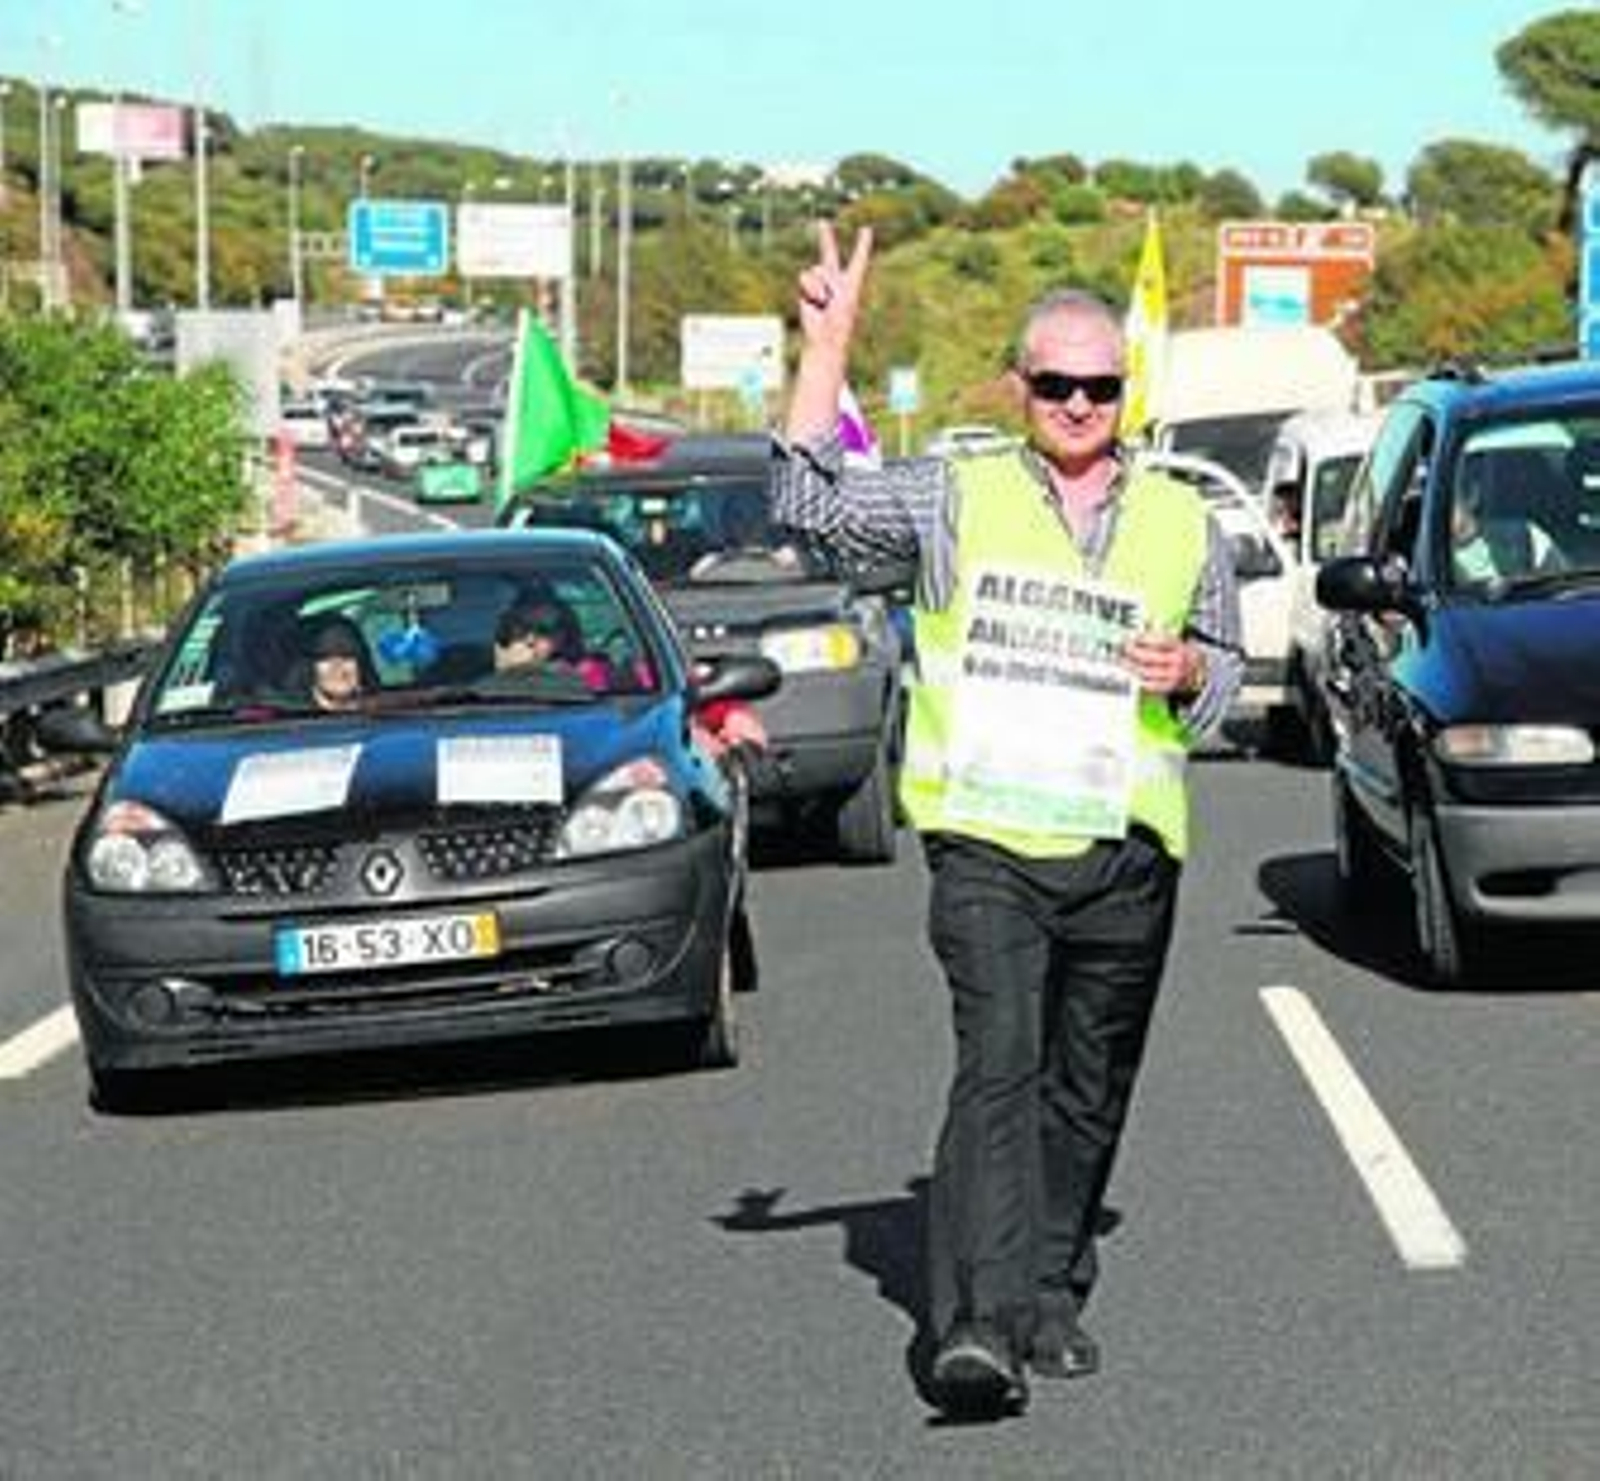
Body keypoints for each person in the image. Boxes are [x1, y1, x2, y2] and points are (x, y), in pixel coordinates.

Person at [774, 224, 1244, 1419]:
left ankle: (1047, 1289)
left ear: (1122, 391)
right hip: (986, 839)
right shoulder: (955, 488)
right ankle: (974, 1325)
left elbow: (1229, 666)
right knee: (999, 1062)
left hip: (1127, 842)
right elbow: (804, 500)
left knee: (1088, 1083)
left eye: (1098, 385)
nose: (1077, 403)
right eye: (1054, 383)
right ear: (1019, 384)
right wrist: (822, 348)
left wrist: (1189, 667)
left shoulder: (1183, 516)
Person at [301, 616, 371, 712]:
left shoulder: (387, 713)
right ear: (310, 668)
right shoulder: (293, 721)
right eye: (325, 656)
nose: (337, 665)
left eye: (347, 654)